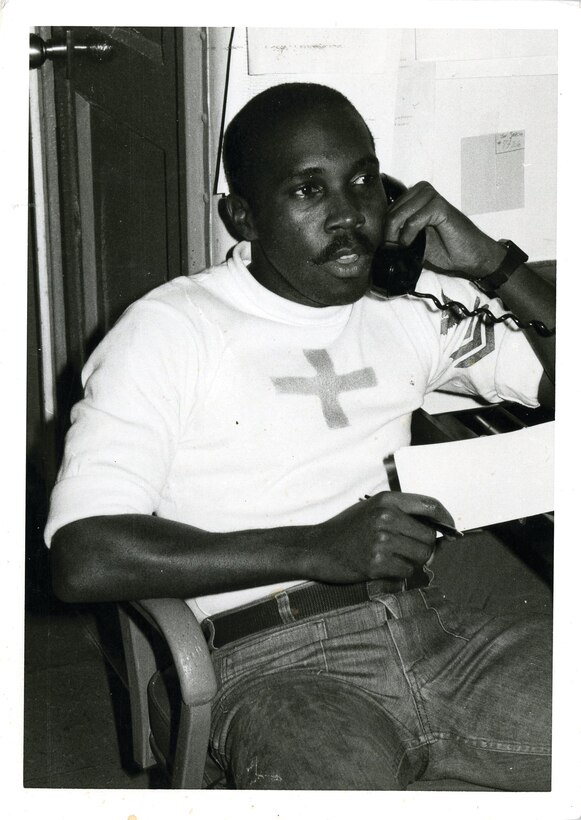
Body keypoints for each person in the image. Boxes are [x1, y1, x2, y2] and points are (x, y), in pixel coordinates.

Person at [46, 82, 555, 790]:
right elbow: (83, 556)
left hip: (437, 634)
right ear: (242, 216)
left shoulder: (405, 307)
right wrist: (312, 548)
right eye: (308, 191)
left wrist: (493, 266)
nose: (350, 216)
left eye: (362, 180)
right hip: (278, 666)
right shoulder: (168, 331)